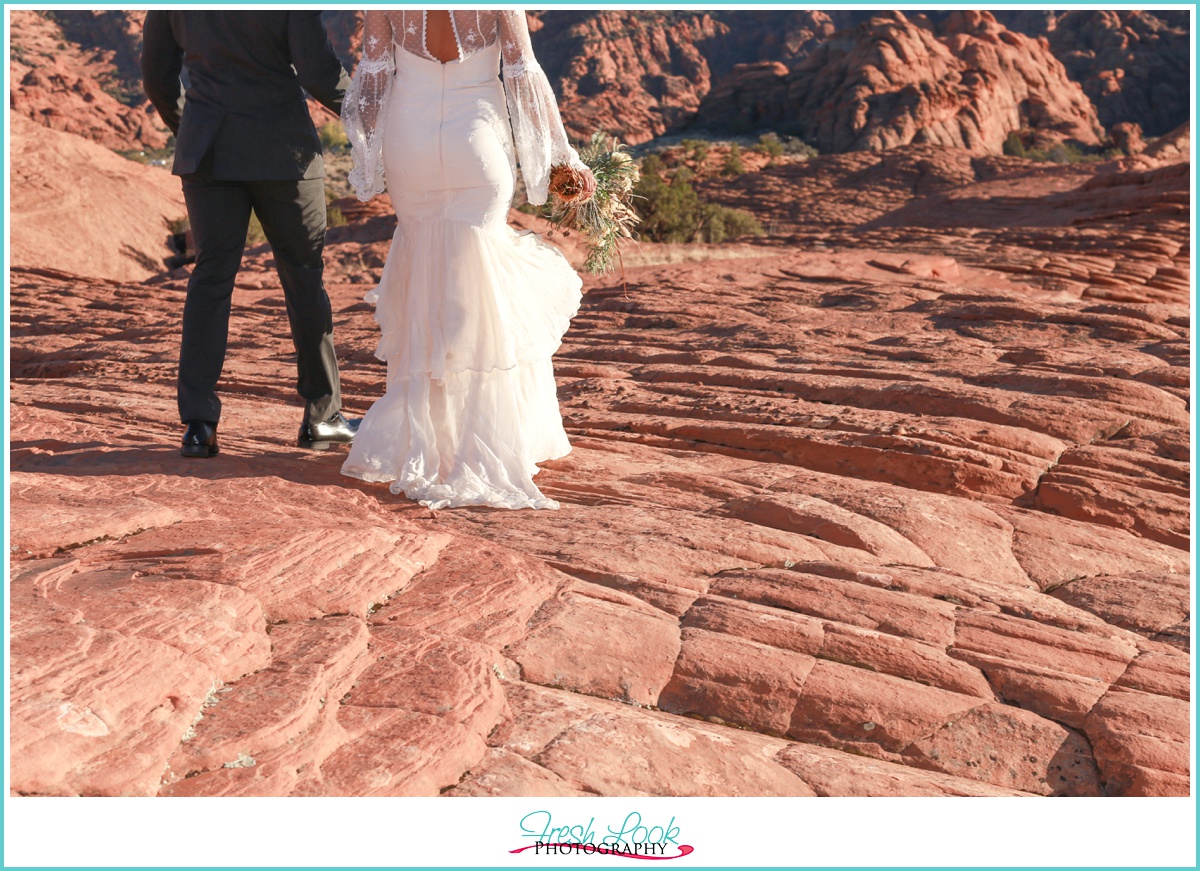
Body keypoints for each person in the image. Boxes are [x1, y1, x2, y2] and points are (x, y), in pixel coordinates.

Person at [339, 10, 596, 509]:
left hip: (409, 140)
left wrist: (367, 161)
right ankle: (489, 437)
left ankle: (427, 440)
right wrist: (562, 157)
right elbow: (524, 73)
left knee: (426, 280)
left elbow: (371, 77)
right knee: (480, 286)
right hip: (475, 141)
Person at [141, 11, 361, 458]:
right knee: (303, 276)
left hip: (208, 151)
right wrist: (374, 117)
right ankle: (322, 415)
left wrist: (189, 126)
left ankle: (199, 426)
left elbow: (156, 76)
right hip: (284, 152)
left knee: (210, 278)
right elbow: (319, 73)